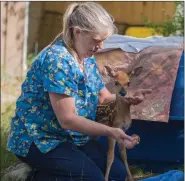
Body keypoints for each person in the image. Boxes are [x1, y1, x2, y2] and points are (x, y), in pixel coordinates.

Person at [7, 2, 151, 181]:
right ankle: (31, 175)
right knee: (93, 178)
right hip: (40, 139)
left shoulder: (87, 58)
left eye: (103, 40)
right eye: (97, 40)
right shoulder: (57, 61)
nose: (100, 46)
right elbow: (68, 120)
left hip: (72, 137)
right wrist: (112, 132)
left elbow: (103, 96)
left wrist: (129, 100)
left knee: (118, 174)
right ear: (78, 32)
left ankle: (50, 170)